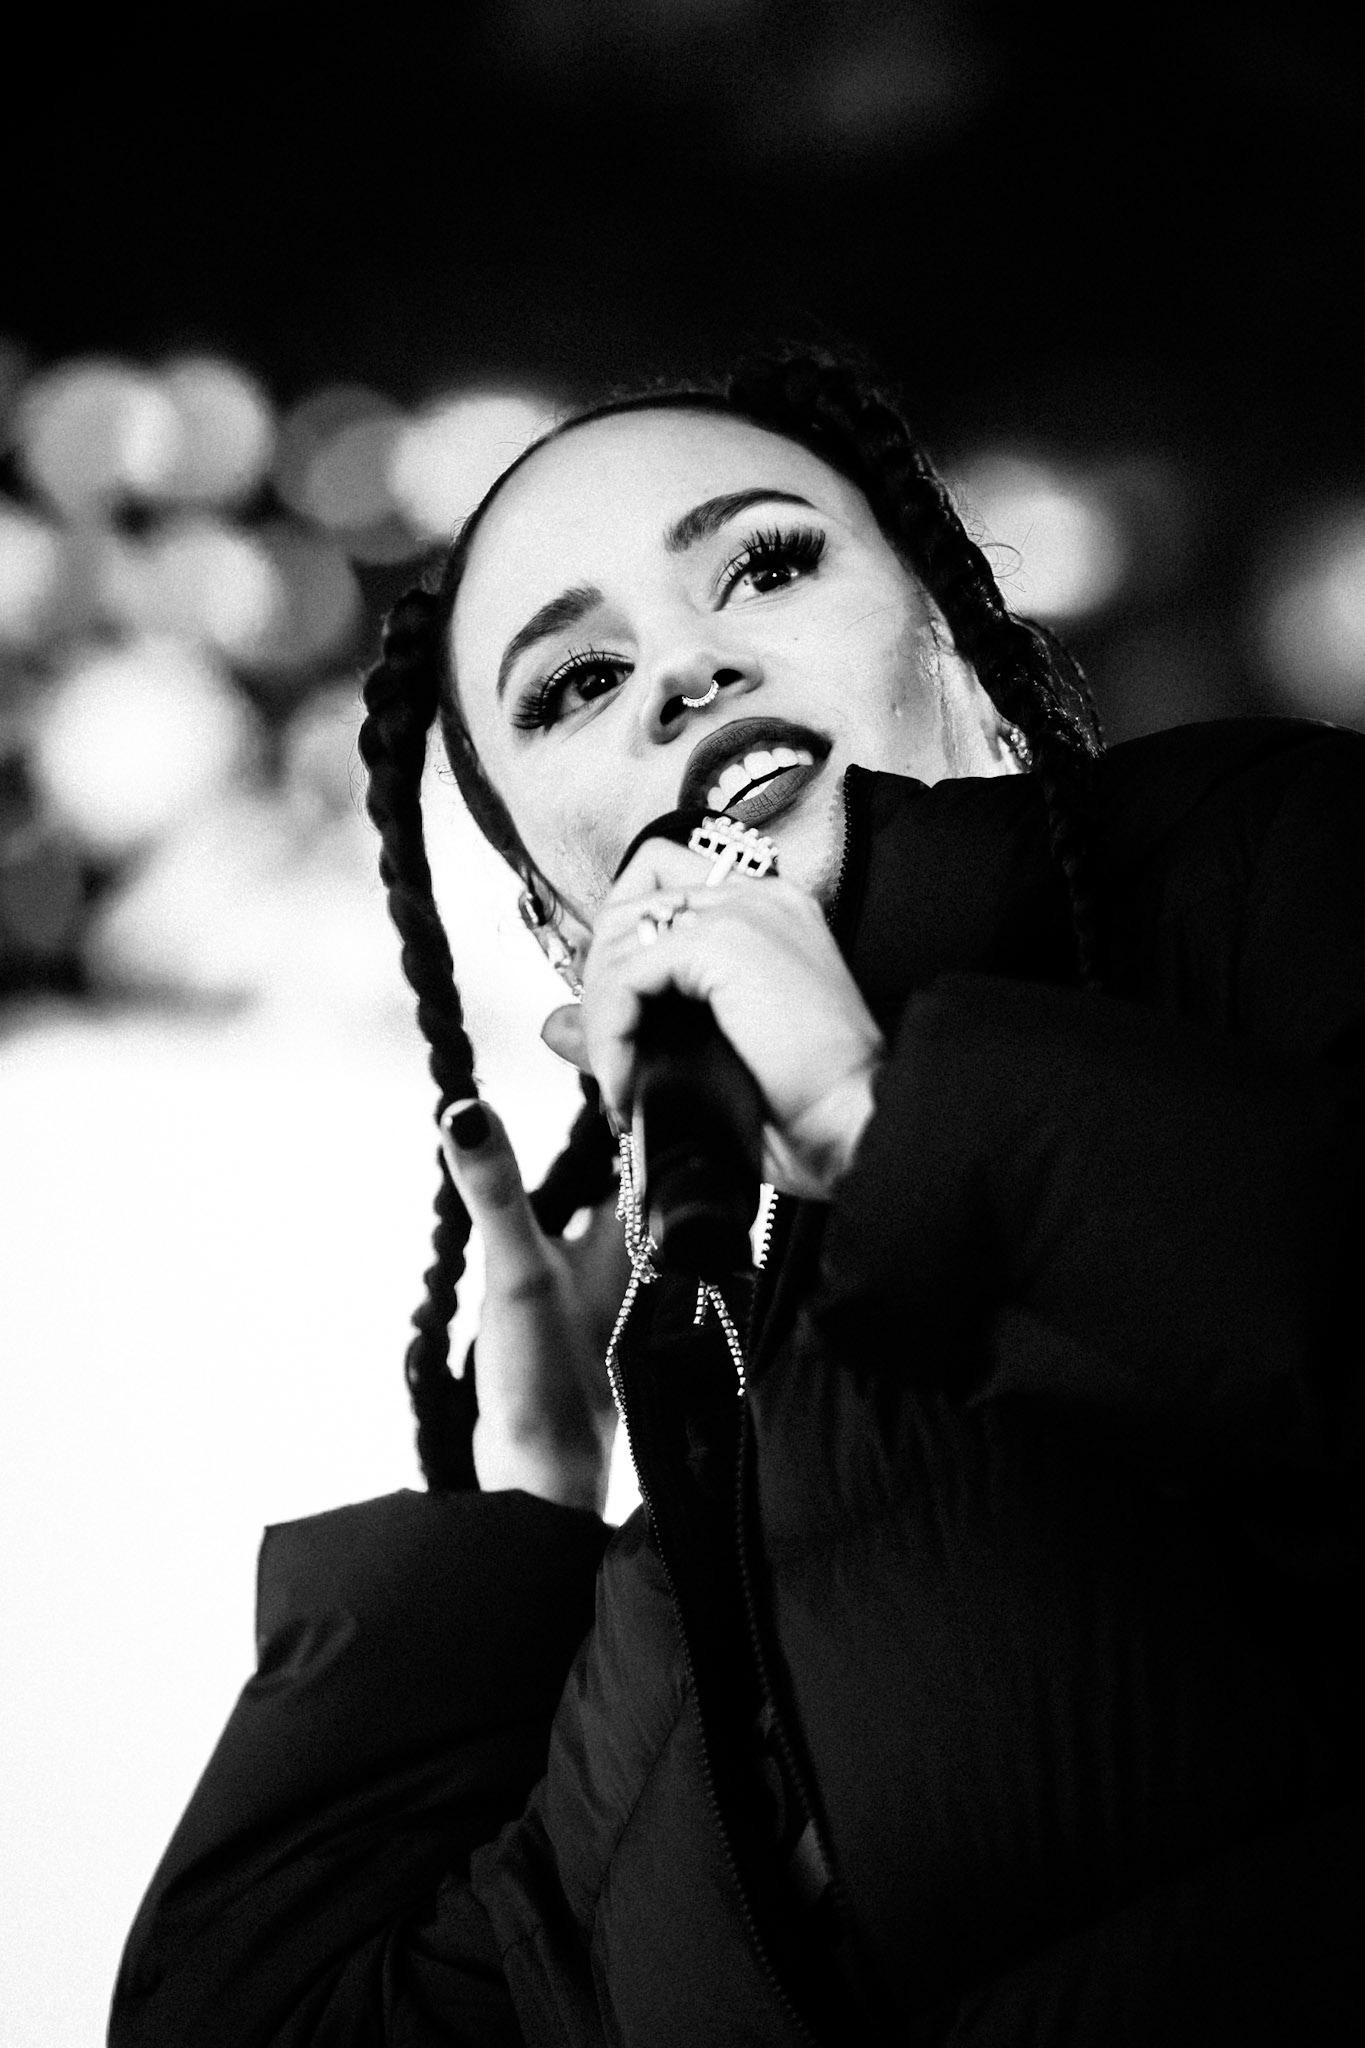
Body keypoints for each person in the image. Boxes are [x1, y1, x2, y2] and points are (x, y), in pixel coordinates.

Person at [110, 349, 1363, 2046]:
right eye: (574, 684)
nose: (684, 670)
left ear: (956, 642)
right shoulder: (689, 1540)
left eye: (766, 568)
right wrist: (522, 1516)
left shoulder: (1269, 858)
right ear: (565, 920)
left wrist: (876, 1115)